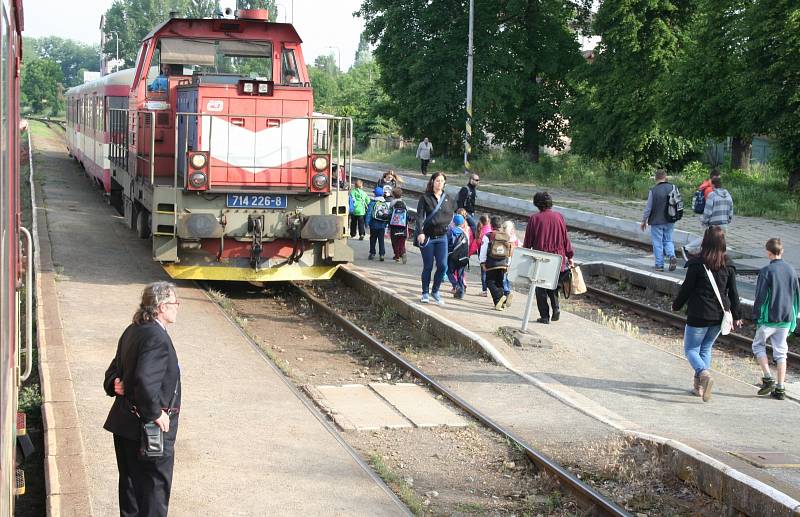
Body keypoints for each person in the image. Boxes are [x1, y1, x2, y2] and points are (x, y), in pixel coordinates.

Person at [103, 281, 182, 516]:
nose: (177, 307)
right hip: (147, 431)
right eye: (173, 303)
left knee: (130, 493)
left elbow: (115, 369)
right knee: (153, 493)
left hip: (124, 426)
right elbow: (145, 380)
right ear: (160, 307)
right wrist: (156, 413)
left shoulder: (133, 329)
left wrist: (113, 383)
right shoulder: (157, 337)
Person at [672, 226, 742, 402]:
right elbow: (733, 293)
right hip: (719, 316)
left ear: (705, 241)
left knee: (690, 350)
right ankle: (699, 388)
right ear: (722, 243)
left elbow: (686, 289)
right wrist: (738, 315)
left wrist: (676, 305)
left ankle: (704, 374)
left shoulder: (697, 264)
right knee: (705, 348)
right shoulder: (729, 264)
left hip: (699, 314)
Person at [751, 238, 800, 400]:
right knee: (781, 352)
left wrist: (756, 315)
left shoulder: (766, 271)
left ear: (768, 252)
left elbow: (761, 296)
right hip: (786, 318)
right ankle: (780, 388)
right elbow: (796, 297)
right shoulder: (792, 270)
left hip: (768, 318)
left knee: (758, 346)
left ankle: (767, 377)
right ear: (782, 251)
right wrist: (794, 317)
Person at [523, 192, 574, 323]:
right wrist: (570, 256)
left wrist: (525, 255)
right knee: (552, 284)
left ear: (537, 204)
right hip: (558, 257)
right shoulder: (559, 217)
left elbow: (528, 242)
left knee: (540, 287)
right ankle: (556, 308)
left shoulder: (534, 219)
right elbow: (565, 239)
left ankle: (545, 316)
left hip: (541, 258)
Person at [415, 171, 455, 304]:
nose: (439, 183)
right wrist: (420, 232)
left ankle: (435, 291)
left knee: (443, 266)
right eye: (437, 180)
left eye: (442, 181)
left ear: (445, 183)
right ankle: (425, 292)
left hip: (442, 237)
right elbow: (420, 217)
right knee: (428, 266)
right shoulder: (425, 198)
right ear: (432, 181)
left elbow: (452, 214)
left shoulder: (448, 198)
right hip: (428, 237)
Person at [684, 175, 734, 257]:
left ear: (713, 185)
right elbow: (731, 210)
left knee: (706, 239)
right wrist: (728, 220)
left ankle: (688, 248)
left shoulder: (712, 195)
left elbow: (708, 212)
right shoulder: (728, 195)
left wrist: (704, 221)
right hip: (724, 223)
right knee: (720, 243)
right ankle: (719, 260)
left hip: (713, 223)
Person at [640, 169, 679, 272]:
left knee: (657, 243)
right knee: (668, 240)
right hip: (670, 219)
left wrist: (644, 221)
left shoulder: (653, 190)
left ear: (656, 178)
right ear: (665, 177)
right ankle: (672, 256)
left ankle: (659, 265)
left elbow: (648, 208)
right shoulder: (673, 187)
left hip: (657, 221)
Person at [479, 216, 511, 310]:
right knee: (499, 283)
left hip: (492, 262)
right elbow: (508, 250)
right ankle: (499, 304)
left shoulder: (488, 235)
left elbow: (483, 250)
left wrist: (482, 262)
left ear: (491, 225)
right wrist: (508, 263)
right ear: (500, 225)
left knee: (489, 282)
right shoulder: (505, 235)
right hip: (503, 263)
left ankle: (500, 298)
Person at [447, 214, 470, 299]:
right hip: (463, 257)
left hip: (453, 257)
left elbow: (448, 244)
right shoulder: (465, 233)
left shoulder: (451, 231)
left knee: (449, 272)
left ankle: (456, 285)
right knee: (460, 274)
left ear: (453, 222)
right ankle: (461, 292)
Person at [365, 186, 389, 261]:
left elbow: (368, 213)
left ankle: (372, 253)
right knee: (381, 240)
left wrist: (367, 222)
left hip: (373, 225)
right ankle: (382, 254)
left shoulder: (372, 203)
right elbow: (387, 214)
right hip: (382, 226)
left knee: (373, 239)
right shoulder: (384, 203)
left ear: (375, 194)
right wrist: (386, 224)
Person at [501, 220, 521, 307]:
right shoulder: (515, 239)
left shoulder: (503, 237)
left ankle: (507, 293)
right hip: (512, 262)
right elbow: (520, 246)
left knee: (503, 280)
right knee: (507, 279)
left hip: (503, 261)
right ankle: (506, 294)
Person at [470, 214, 491, 297]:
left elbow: (475, 245)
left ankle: (484, 290)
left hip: (483, 256)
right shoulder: (491, 229)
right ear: (488, 221)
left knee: (484, 273)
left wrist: (469, 254)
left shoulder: (480, 231)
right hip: (492, 255)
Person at [388, 188, 409, 263]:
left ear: (393, 195)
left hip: (394, 226)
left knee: (395, 242)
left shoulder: (392, 203)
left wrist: (388, 224)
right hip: (403, 226)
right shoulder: (404, 203)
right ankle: (403, 253)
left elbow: (389, 214)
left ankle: (397, 256)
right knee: (402, 242)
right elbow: (407, 215)